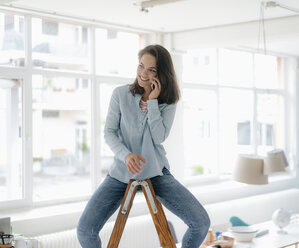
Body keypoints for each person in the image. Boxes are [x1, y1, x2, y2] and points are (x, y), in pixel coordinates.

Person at [77, 44, 210, 248]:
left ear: (161, 73)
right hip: (120, 174)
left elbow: (159, 137)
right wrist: (126, 155)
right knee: (85, 230)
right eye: (141, 66)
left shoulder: (169, 102)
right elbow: (109, 132)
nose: (143, 73)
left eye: (151, 69)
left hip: (156, 173)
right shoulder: (120, 94)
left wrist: (154, 102)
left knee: (201, 223)